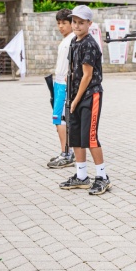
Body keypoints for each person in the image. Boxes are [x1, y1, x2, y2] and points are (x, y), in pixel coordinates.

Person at [58, 5, 112, 195]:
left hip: (90, 95)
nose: (76, 26)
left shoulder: (89, 43)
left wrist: (75, 101)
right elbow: (73, 70)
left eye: (81, 22)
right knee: (75, 136)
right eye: (74, 22)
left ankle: (102, 177)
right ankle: (81, 176)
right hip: (74, 95)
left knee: (90, 137)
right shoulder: (74, 41)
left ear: (89, 24)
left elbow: (87, 76)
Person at [47, 9, 76, 169]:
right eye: (58, 23)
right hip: (59, 84)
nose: (60, 26)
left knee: (60, 119)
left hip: (64, 85)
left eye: (64, 23)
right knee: (60, 119)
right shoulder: (66, 40)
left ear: (72, 23)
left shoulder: (73, 39)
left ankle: (66, 154)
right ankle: (67, 151)